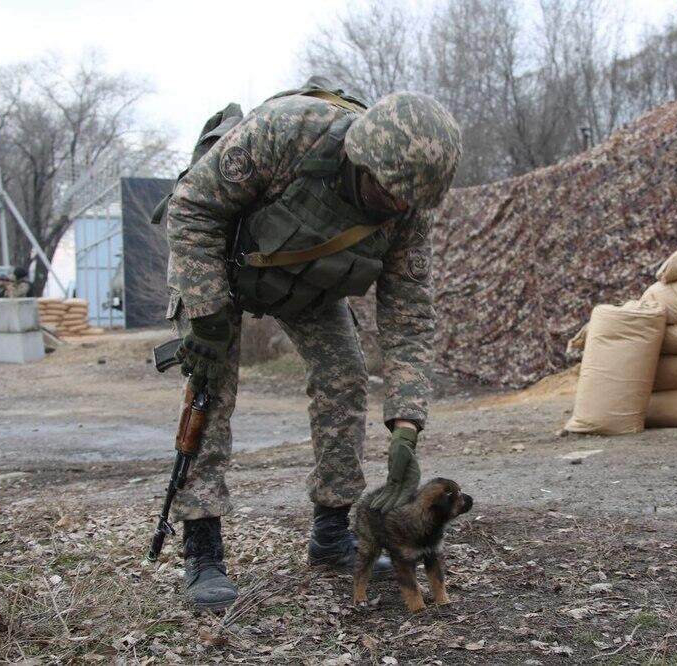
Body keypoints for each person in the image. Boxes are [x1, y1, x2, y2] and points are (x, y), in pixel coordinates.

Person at [164, 78, 462, 611]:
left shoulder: (409, 203)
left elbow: (409, 315)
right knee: (211, 387)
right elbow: (192, 210)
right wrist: (207, 317)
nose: (398, 208)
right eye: (389, 192)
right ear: (362, 160)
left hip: (308, 282)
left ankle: (331, 532)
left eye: (409, 200)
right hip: (215, 264)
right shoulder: (289, 133)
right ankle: (202, 545)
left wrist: (407, 422)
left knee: (345, 378)